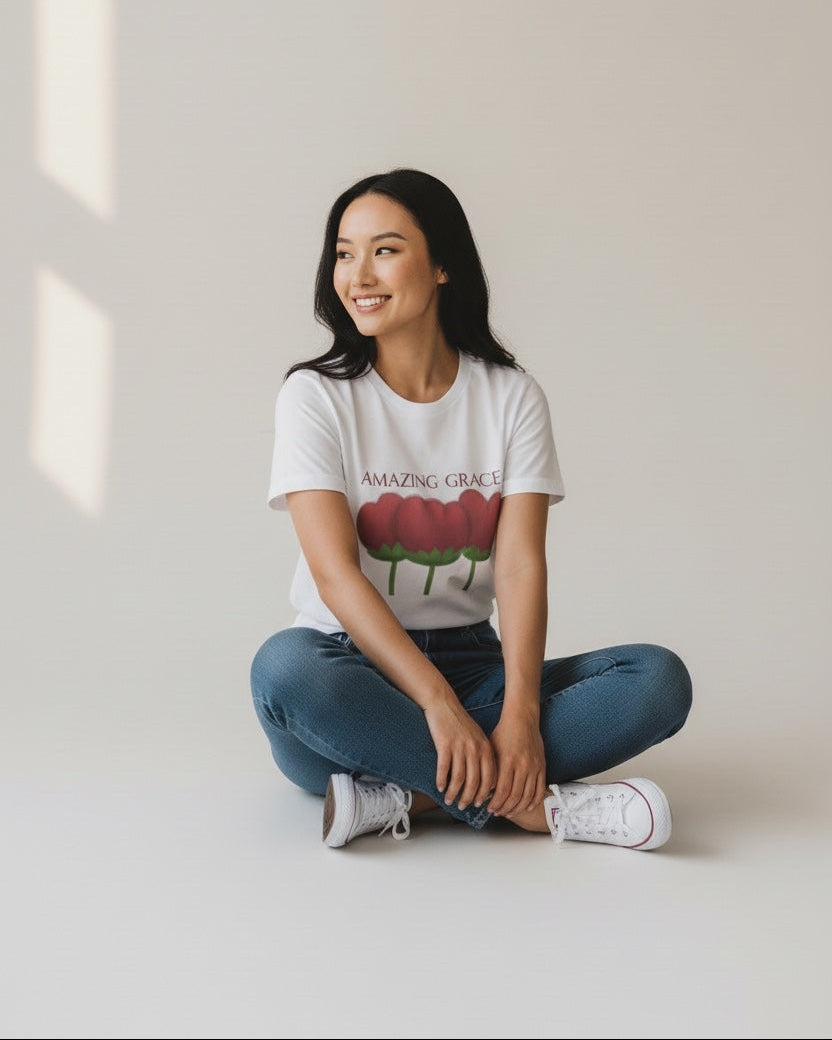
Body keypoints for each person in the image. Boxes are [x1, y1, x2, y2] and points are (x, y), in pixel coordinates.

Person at [250, 168, 692, 851]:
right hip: (348, 668)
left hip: (473, 661)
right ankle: (538, 810)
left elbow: (518, 568)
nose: (358, 274)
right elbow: (336, 576)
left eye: (385, 249)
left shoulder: (510, 396)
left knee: (658, 681)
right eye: (344, 252)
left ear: (443, 266)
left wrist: (516, 712)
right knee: (284, 670)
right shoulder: (316, 397)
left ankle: (404, 794)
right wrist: (436, 706)